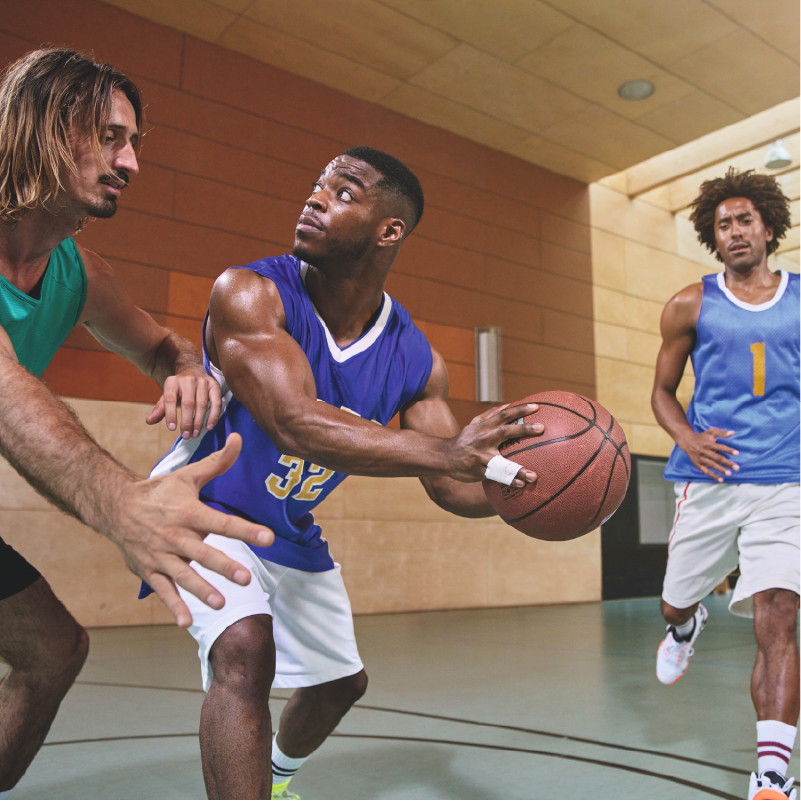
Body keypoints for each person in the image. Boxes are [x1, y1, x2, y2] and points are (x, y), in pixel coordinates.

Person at [140, 145, 542, 799]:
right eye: (316, 185)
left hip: (289, 528)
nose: (315, 197)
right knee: (244, 648)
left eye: (344, 191)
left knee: (337, 685)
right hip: (205, 504)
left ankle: (271, 780)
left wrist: (527, 491)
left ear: (390, 231)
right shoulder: (249, 292)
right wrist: (449, 452)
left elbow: (451, 484)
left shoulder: (414, 357)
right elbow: (293, 421)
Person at [0, 48, 274, 797]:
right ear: (48, 127)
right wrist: (122, 501)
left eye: (135, 145)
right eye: (112, 137)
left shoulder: (78, 273)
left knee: (51, 650)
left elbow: (158, 342)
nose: (131, 162)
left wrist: (185, 368)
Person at [651, 168, 799, 800]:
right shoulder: (690, 302)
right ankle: (684, 625)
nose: (736, 231)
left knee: (781, 618)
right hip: (709, 478)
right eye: (724, 224)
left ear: (769, 225)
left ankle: (771, 774)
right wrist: (686, 437)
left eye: (745, 220)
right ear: (713, 237)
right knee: (673, 600)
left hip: (788, 480)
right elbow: (661, 391)